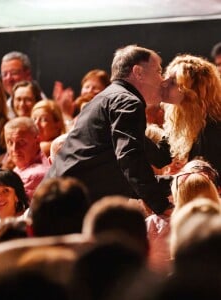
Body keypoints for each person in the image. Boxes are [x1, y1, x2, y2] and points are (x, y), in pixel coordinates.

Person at [47, 45, 173, 215]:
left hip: (58, 200)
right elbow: (131, 159)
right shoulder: (127, 102)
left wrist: (176, 114)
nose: (162, 80)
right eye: (158, 71)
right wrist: (162, 205)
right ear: (138, 72)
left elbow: (159, 157)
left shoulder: (109, 98)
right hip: (67, 206)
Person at [161, 54, 221, 178]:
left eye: (173, 82)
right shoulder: (180, 118)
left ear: (194, 91)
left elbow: (206, 181)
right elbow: (160, 156)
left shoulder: (212, 129)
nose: (163, 83)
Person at [3, 117, 50, 201]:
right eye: (10, 142)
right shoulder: (24, 164)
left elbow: (9, 211)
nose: (14, 148)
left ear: (37, 142)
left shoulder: (34, 176)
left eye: (21, 142)